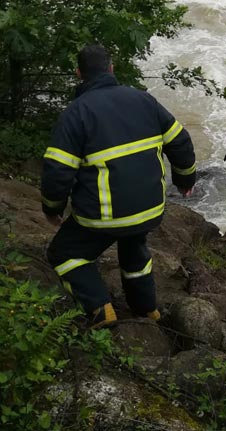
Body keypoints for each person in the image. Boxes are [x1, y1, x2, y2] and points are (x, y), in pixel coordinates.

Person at [41, 44, 196, 329]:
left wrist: (52, 208)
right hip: (149, 208)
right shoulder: (144, 100)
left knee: (64, 254)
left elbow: (57, 171)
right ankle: (147, 309)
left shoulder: (76, 113)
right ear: (112, 69)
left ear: (79, 74)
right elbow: (181, 142)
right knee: (134, 246)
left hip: (103, 215)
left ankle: (99, 308)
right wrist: (186, 180)